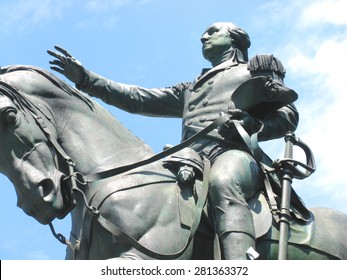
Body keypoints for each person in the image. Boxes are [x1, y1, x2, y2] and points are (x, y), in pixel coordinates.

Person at [47, 22, 298, 259]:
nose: (203, 37)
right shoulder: (192, 87)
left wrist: (252, 125)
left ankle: (241, 263)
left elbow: (288, 115)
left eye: (212, 32)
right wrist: (87, 79)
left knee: (223, 182)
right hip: (188, 159)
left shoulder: (254, 70)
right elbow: (139, 98)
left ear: (234, 39)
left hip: (233, 153)